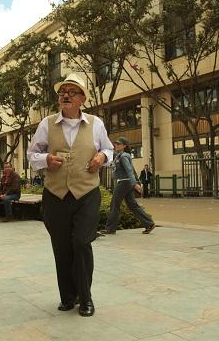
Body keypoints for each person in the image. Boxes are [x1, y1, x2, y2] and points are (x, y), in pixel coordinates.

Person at [28, 73, 113, 317]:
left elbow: (108, 148)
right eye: (62, 92)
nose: (65, 95)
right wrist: (46, 159)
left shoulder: (96, 124)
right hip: (55, 195)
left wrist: (101, 157)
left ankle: (86, 298)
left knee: (81, 243)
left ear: (82, 99)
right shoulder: (47, 124)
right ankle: (68, 297)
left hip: (87, 193)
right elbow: (32, 154)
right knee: (62, 247)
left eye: (72, 91)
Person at [103, 137, 156, 235]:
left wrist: (134, 184)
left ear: (124, 146)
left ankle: (110, 229)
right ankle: (149, 223)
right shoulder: (118, 156)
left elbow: (129, 170)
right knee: (132, 205)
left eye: (119, 144)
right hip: (126, 183)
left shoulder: (123, 156)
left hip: (124, 182)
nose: (116, 145)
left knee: (114, 204)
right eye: (116, 144)